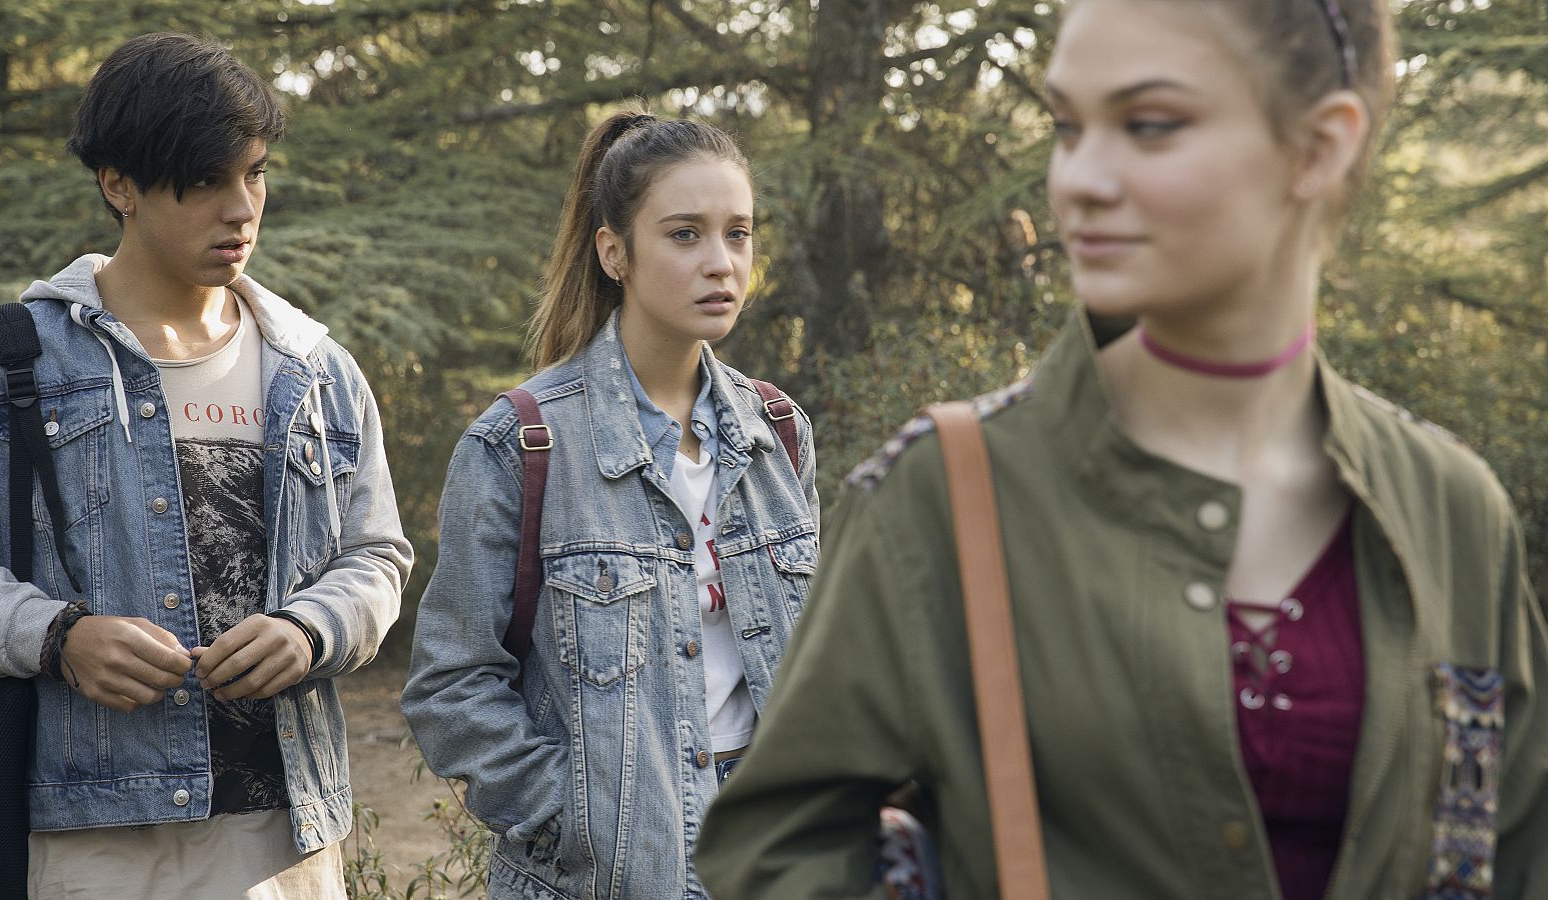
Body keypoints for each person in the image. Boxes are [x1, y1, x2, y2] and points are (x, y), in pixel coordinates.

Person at [696, 1, 1548, 898]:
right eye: (1067, 127)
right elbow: (774, 854)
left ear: (1320, 146)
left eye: (1149, 125)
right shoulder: (941, 497)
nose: (1078, 180)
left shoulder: (1456, 512)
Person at [0, 33, 413, 897]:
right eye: (205, 181)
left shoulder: (316, 369)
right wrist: (58, 638)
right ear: (117, 184)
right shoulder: (0, 362)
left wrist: (311, 629)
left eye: (257, 173)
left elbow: (377, 556)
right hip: (92, 832)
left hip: (288, 836)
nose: (242, 209)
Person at [402, 110, 819, 900]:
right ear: (614, 251)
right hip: (610, 872)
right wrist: (586, 819)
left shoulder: (781, 435)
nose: (722, 263)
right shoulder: (519, 445)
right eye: (686, 234)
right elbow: (450, 689)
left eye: (740, 233)